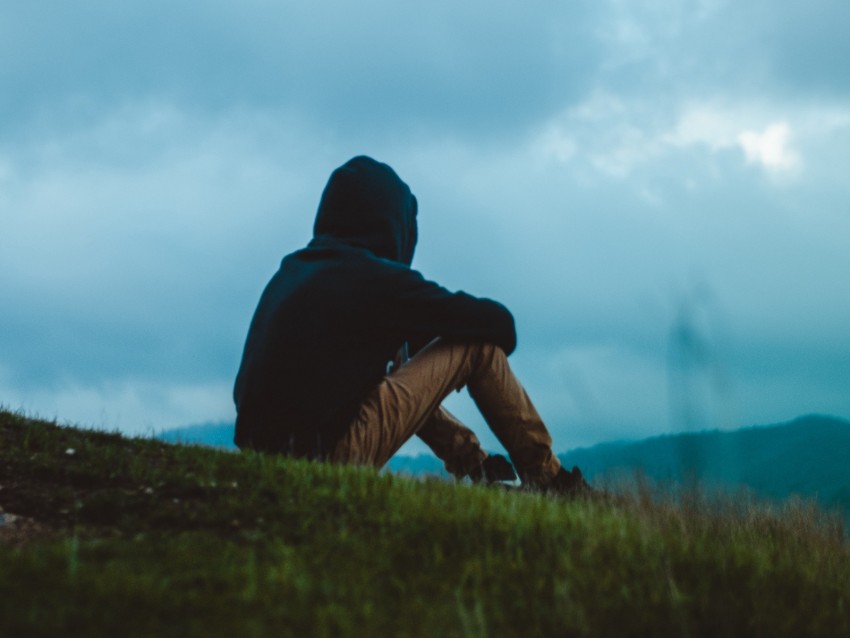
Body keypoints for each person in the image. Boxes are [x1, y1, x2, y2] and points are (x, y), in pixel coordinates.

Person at [233, 155, 589, 495]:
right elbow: (497, 324)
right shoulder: (374, 280)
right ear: (394, 221)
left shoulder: (293, 271)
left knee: (398, 355)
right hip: (328, 458)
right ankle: (549, 479)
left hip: (261, 457)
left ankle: (480, 470)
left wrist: (412, 345)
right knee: (477, 347)